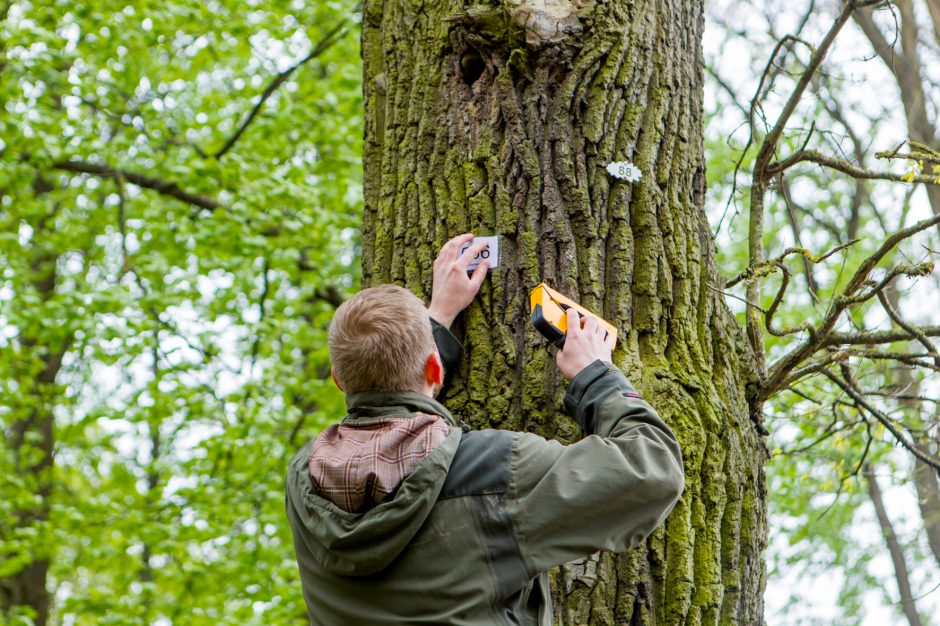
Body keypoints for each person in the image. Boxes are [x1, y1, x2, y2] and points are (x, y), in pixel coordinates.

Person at [285, 234, 685, 625]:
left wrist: (436, 320)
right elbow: (653, 470)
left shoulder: (303, 480)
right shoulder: (497, 470)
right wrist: (597, 376)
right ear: (434, 368)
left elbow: (389, 415)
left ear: (338, 380)